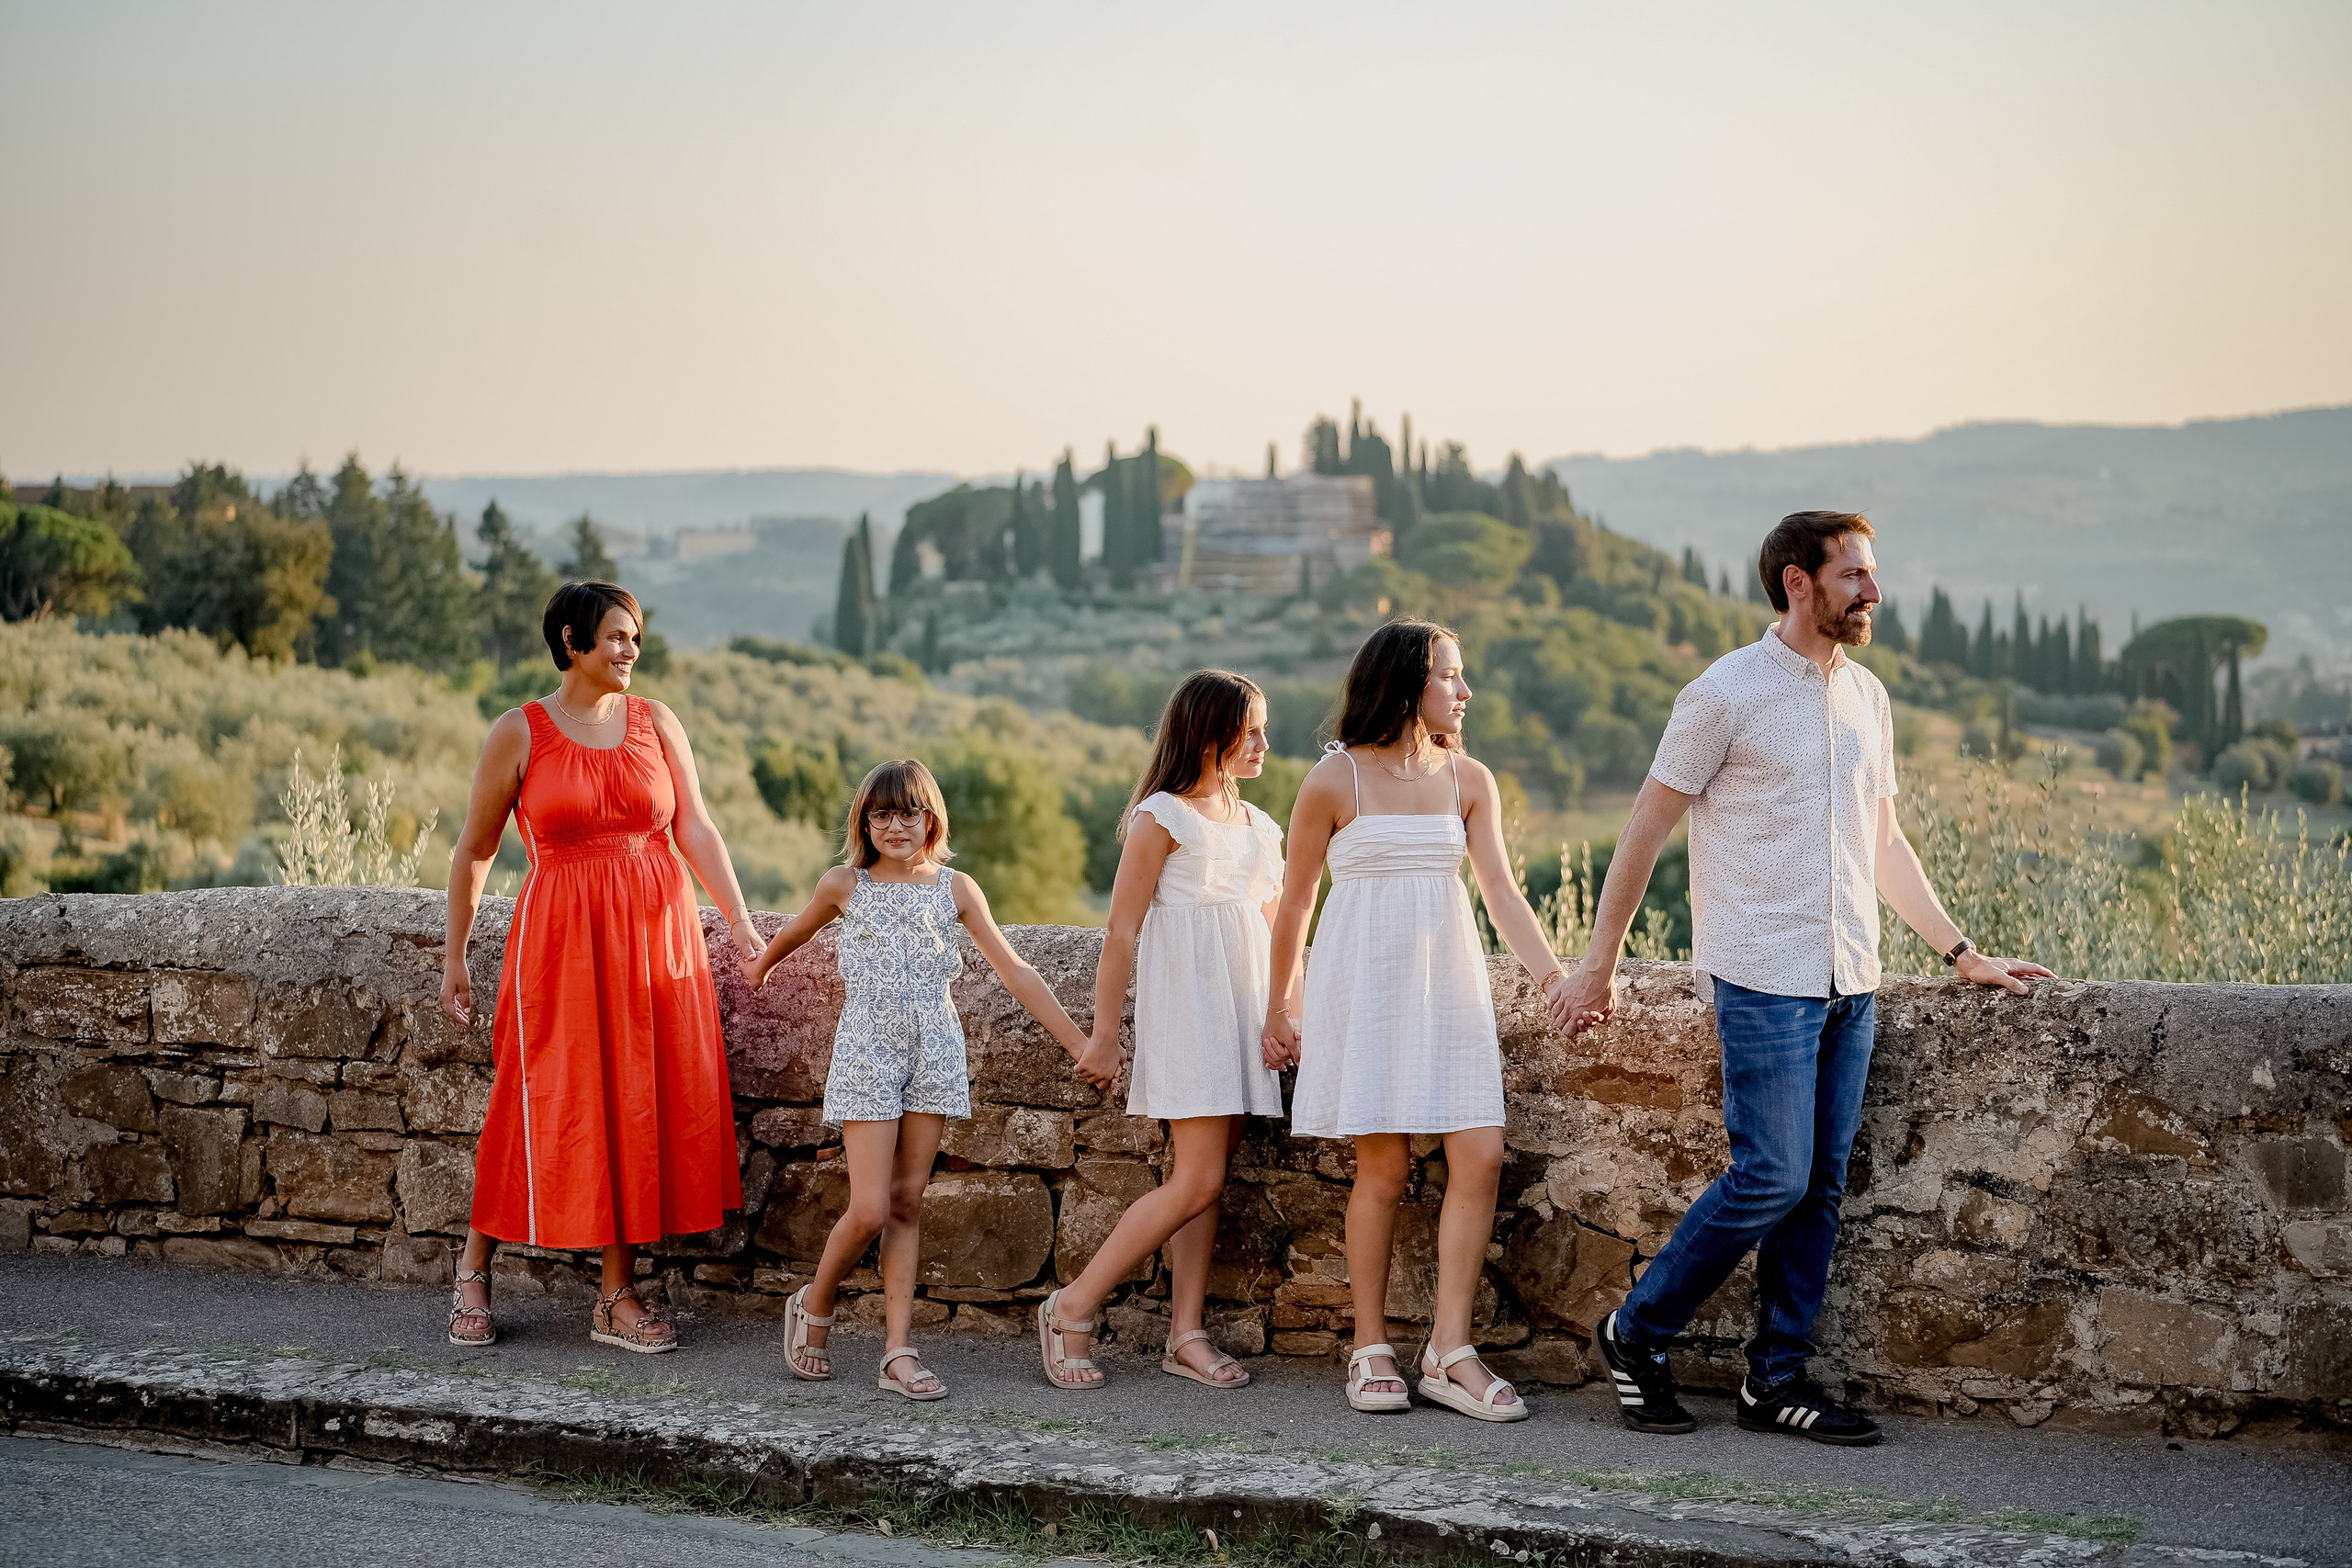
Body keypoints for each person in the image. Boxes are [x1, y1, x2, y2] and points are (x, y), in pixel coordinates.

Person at [1566, 511, 2053, 1446]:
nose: (1873, 592)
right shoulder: (1723, 693)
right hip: (1761, 974)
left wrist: (1960, 952)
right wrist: (1599, 964)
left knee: (1820, 1186)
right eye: (1853, 575)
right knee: (1770, 1177)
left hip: (1851, 977)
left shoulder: (1868, 696)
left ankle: (1776, 1379)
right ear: (1798, 582)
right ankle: (1637, 1330)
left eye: (1871, 574)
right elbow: (1644, 829)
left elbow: (1884, 843)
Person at [1262, 620, 1577, 1422]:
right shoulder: (1333, 780)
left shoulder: (1470, 778)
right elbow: (1295, 904)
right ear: (1406, 684)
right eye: (1449, 676)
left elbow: (1500, 890)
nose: (1465, 691)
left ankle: (1448, 1350)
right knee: (1384, 1169)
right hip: (1365, 988)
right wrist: (1279, 1006)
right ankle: (1369, 1345)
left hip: (1449, 987)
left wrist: (1555, 977)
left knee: (1482, 1152)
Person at [440, 581, 757, 1355]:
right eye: (616, 635)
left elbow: (697, 828)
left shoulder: (658, 722)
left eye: (636, 637)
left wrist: (743, 922)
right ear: (572, 641)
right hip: (560, 943)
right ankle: (474, 1268)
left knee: (635, 1105)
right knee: (532, 1098)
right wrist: (454, 954)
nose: (630, 650)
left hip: (654, 940)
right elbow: (476, 848)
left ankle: (616, 1294)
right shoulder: (519, 731)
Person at [745, 759, 1100, 1401]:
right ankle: (814, 1302)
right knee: (870, 1207)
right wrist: (757, 966)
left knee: (908, 1201)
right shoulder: (844, 884)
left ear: (931, 819)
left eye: (909, 813)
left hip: (934, 1050)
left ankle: (898, 1351)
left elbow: (1014, 969)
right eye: (881, 814)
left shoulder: (956, 888)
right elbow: (793, 932)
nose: (896, 826)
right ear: (864, 823)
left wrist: (1079, 1042)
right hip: (867, 1050)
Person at [1037, 671, 1287, 1393]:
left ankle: (1185, 1333)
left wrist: (1287, 1014)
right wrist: (1103, 1035)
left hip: (1244, 1012)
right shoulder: (1162, 816)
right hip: (1190, 1011)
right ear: (1209, 736)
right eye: (1251, 730)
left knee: (1201, 1180)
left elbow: (1280, 934)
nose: (1264, 743)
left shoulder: (1259, 825)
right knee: (1199, 1178)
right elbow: (1120, 932)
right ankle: (1072, 1304)